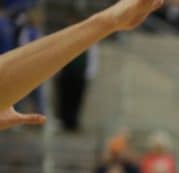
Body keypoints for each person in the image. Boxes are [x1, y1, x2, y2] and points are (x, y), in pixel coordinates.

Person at [0, 0, 162, 131]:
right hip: (62, 71)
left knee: (71, 101)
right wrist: (105, 22)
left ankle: (70, 123)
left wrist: (105, 23)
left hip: (76, 73)